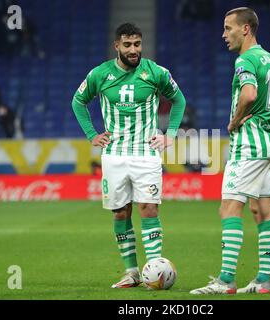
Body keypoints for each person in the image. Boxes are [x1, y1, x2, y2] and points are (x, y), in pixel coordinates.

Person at [190, 7, 270, 295]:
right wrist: (269, 119)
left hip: (249, 146)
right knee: (262, 209)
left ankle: (226, 280)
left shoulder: (246, 60)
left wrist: (236, 120)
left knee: (229, 208)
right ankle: (264, 280)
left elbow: (249, 94)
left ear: (245, 29)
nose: (224, 34)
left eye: (228, 28)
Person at [71, 23, 186, 289]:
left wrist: (171, 135)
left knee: (149, 208)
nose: (133, 50)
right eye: (127, 45)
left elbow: (179, 100)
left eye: (137, 44)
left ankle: (155, 270)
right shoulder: (99, 74)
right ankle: (132, 272)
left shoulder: (156, 72)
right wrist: (91, 134)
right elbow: (77, 101)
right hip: (113, 156)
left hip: (146, 154)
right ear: (117, 46)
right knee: (121, 212)